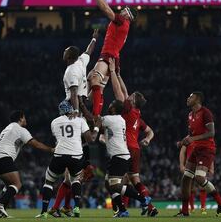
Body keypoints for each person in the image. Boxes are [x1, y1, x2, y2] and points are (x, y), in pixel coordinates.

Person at [47, 31, 99, 217]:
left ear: (69, 56)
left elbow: (75, 93)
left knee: (69, 167)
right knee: (74, 169)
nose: (63, 52)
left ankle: (56, 208)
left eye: (65, 50)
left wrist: (76, 113)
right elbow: (89, 51)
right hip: (81, 106)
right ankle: (67, 206)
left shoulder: (70, 70)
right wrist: (94, 37)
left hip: (73, 106)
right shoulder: (81, 62)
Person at [107, 58, 158, 216]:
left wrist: (113, 72)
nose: (128, 96)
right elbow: (151, 131)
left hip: (125, 148)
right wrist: (147, 139)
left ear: (133, 102)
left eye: (131, 97)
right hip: (136, 148)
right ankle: (150, 207)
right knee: (134, 180)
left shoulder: (127, 109)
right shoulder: (137, 114)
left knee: (113, 181)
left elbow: (118, 92)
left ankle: (123, 209)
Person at [35, 101, 99, 219]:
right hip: (76, 155)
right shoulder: (80, 120)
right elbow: (90, 139)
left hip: (60, 154)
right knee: (75, 180)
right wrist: (96, 128)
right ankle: (77, 207)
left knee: (49, 182)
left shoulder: (54, 122)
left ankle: (44, 212)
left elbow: (59, 137)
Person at [0, 110, 54, 218]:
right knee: (17, 184)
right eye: (24, 117)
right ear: (20, 119)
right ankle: (0, 202)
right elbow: (35, 144)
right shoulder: (20, 129)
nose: (25, 119)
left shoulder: (7, 128)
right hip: (4, 157)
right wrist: (51, 149)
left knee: (9, 185)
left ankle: (1, 212)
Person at [174, 92, 221, 217]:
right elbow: (191, 135)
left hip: (206, 149)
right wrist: (182, 141)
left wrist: (193, 139)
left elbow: (211, 133)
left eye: (191, 97)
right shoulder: (190, 115)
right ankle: (185, 211)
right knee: (186, 178)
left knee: (199, 178)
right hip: (196, 149)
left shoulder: (206, 112)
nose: (188, 98)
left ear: (197, 99)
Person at [96, 99, 151, 218]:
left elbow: (95, 119)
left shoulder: (112, 119)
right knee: (108, 183)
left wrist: (84, 109)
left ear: (114, 108)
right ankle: (122, 210)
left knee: (115, 185)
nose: (109, 105)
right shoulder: (121, 119)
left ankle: (142, 199)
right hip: (119, 155)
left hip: (120, 155)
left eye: (110, 104)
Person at [88, 0, 138, 116]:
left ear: (128, 14)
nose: (122, 10)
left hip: (108, 56)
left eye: (125, 9)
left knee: (94, 79)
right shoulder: (124, 23)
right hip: (112, 57)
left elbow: (105, 8)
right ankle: (89, 109)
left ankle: (95, 116)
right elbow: (106, 5)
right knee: (93, 86)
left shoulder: (121, 20)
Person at [179, 143, 211, 215]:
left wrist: (211, 167)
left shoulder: (203, 139)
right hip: (190, 164)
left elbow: (209, 153)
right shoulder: (188, 139)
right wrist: (181, 165)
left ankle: (203, 207)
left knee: (202, 185)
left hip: (202, 163)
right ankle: (192, 208)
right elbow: (182, 152)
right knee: (190, 187)